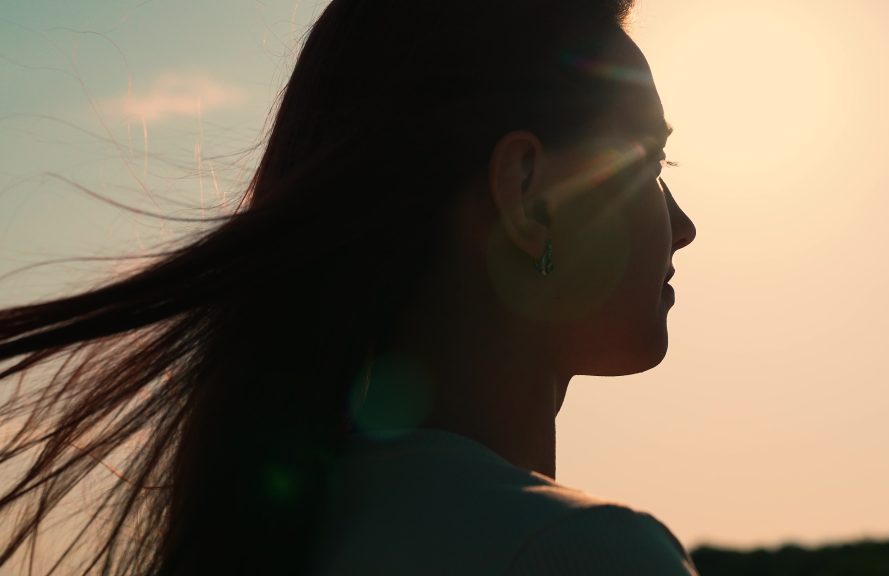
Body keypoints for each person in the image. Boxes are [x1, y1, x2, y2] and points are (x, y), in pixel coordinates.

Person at [0, 0, 698, 574]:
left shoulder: (267, 540)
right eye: (648, 161)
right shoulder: (581, 555)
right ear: (529, 198)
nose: (683, 225)